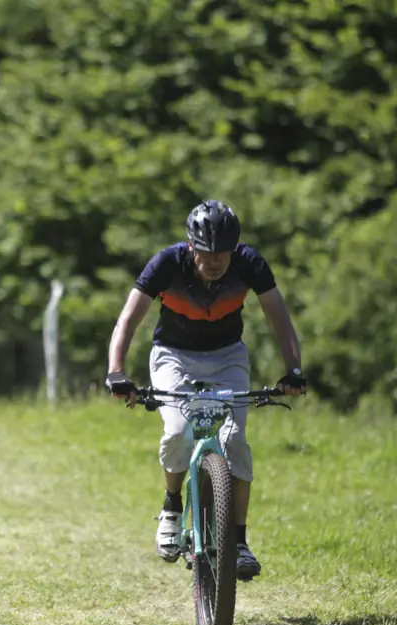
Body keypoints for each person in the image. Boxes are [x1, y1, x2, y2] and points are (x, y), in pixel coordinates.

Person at [104, 200, 307, 579]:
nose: (214, 261)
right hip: (173, 355)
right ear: (190, 245)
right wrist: (116, 371)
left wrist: (293, 369)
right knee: (178, 431)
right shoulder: (166, 263)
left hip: (227, 356)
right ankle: (171, 505)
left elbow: (279, 317)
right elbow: (128, 320)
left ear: (235, 249)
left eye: (223, 253)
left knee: (235, 442)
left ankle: (239, 541)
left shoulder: (250, 264)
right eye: (206, 252)